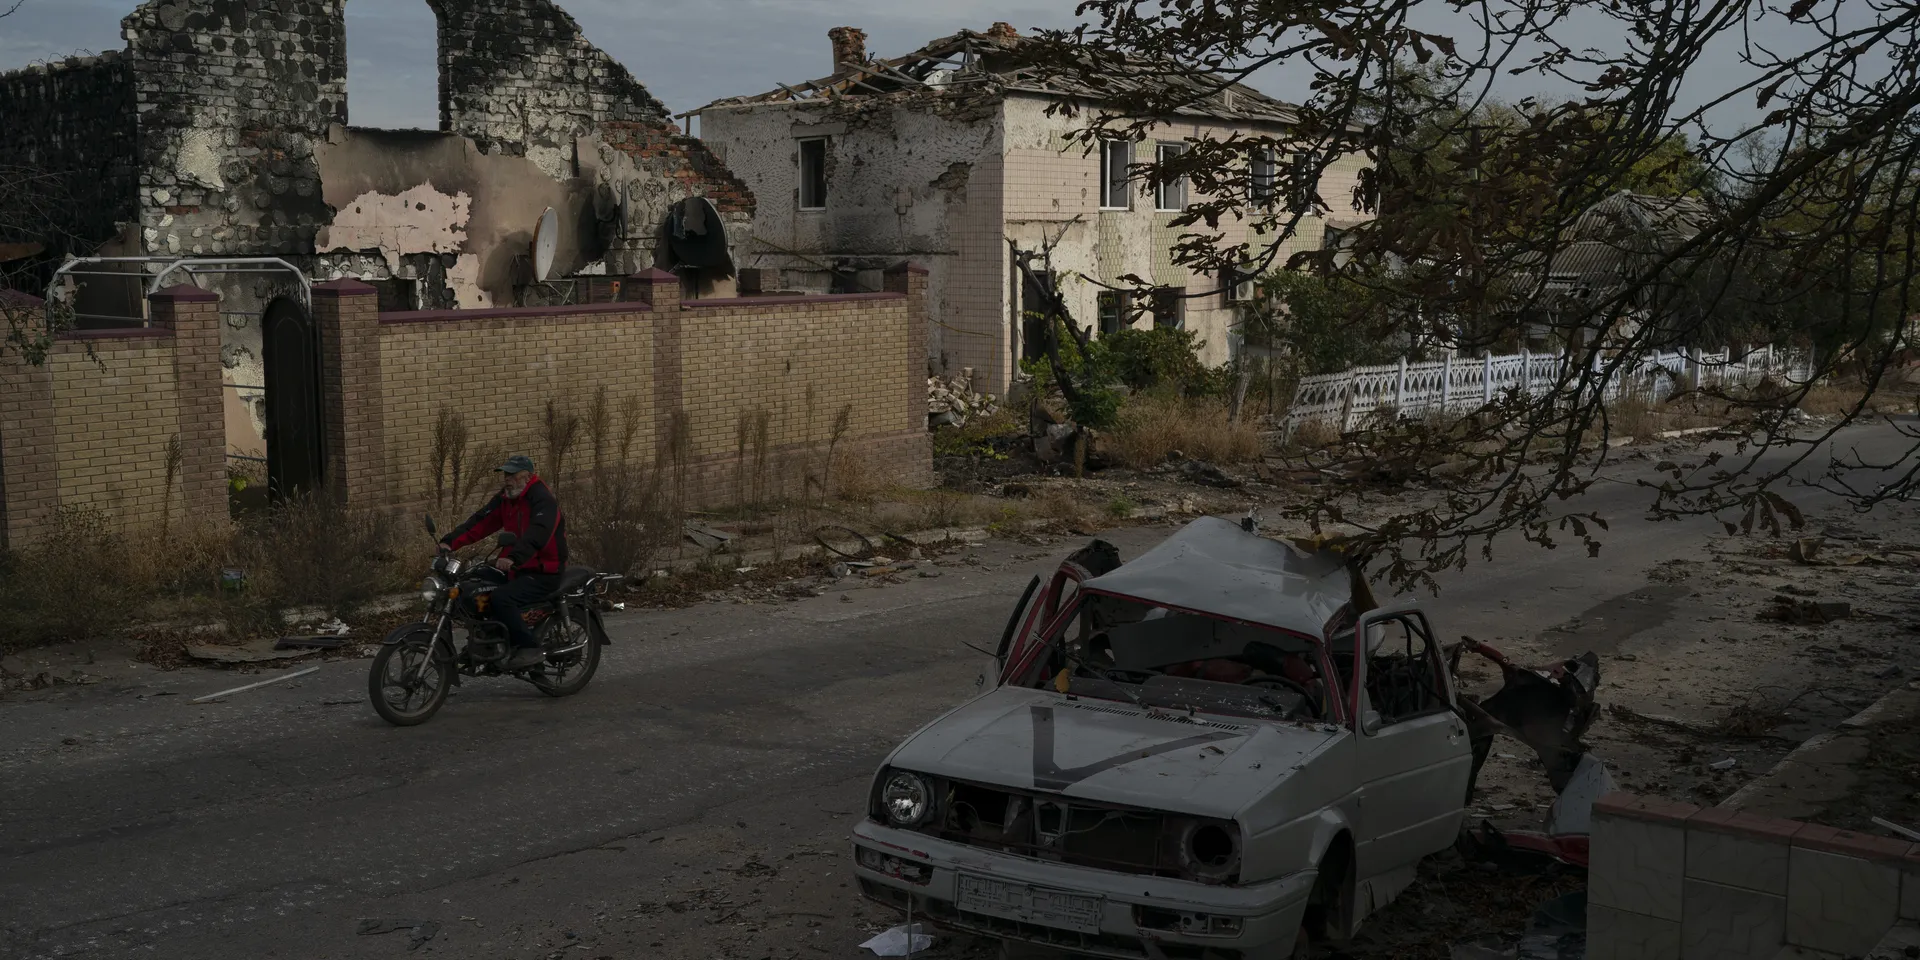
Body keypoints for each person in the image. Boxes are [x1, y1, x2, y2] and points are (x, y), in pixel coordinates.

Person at [440, 454, 568, 670]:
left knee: (502, 597)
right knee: (471, 584)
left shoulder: (542, 499)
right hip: (517, 567)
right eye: (506, 475)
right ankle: (487, 642)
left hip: (544, 570)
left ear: (527, 476)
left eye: (512, 475)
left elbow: (538, 533)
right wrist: (449, 543)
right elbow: (480, 522)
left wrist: (512, 557)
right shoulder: (506, 498)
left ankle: (529, 648)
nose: (507, 480)